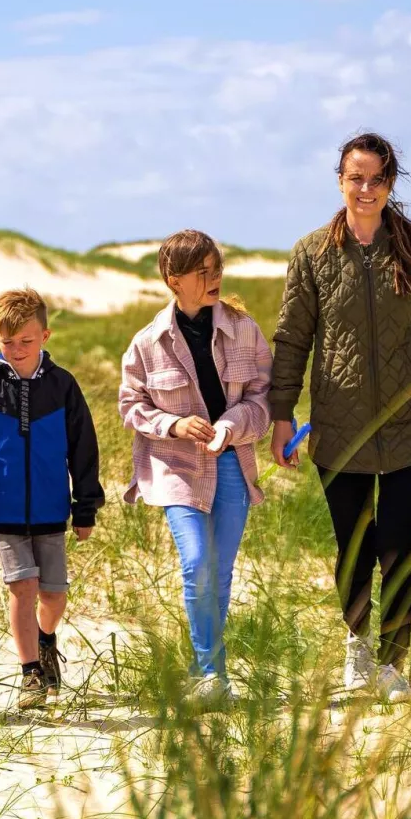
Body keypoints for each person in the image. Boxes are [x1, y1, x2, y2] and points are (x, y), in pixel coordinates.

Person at [269, 131, 411, 703]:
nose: (366, 188)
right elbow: (291, 340)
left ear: (390, 183)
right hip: (340, 425)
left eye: (377, 179)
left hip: (410, 425)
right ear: (340, 180)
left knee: (397, 544)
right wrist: (283, 414)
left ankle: (394, 663)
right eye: (356, 178)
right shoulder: (312, 253)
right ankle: (357, 646)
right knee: (355, 543)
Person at [119, 231, 273, 709]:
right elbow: (131, 405)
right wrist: (173, 423)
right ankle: (214, 674)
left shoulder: (244, 329)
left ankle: (202, 671)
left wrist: (231, 425)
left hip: (231, 462)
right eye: (201, 272)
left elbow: (263, 398)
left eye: (217, 269)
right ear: (174, 279)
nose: (214, 279)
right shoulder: (147, 342)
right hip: (175, 467)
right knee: (197, 564)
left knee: (220, 573)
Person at [0, 288, 104, 711]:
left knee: (54, 595)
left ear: (45, 336)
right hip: (3, 506)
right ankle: (30, 672)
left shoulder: (63, 386)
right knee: (23, 587)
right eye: (6, 342)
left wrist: (85, 506)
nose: (15, 350)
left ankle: (46, 638)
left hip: (52, 507)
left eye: (25, 342)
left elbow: (84, 448)